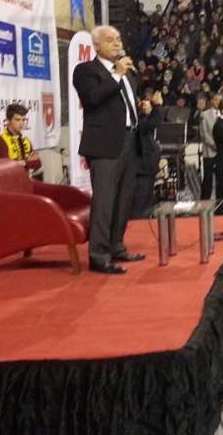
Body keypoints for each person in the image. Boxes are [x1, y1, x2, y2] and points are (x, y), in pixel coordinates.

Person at [72, 25, 145, 274]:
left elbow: (123, 105)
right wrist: (116, 74)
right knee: (104, 201)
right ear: (97, 46)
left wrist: (142, 107)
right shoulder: (86, 70)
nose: (117, 43)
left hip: (130, 140)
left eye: (119, 39)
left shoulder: (128, 73)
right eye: (110, 40)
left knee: (124, 199)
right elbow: (92, 99)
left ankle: (116, 246)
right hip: (104, 144)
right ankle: (98, 255)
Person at [131, 91, 164, 219]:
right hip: (141, 170)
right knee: (141, 204)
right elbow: (152, 122)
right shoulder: (135, 121)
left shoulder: (141, 118)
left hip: (147, 169)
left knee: (147, 202)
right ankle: (137, 225)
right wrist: (158, 105)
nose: (145, 104)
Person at [0, 103, 42, 175]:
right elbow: (6, 167)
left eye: (23, 120)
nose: (21, 123)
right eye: (17, 120)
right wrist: (28, 163)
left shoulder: (26, 140)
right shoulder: (1, 142)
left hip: (26, 179)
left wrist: (24, 163)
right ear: (8, 120)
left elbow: (38, 163)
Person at [200, 93, 221, 199]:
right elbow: (204, 134)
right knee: (208, 179)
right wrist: (216, 146)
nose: (218, 102)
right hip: (209, 151)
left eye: (220, 100)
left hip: (222, 152)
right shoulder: (204, 114)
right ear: (212, 101)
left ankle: (220, 202)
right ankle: (205, 201)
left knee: (221, 179)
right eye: (216, 99)